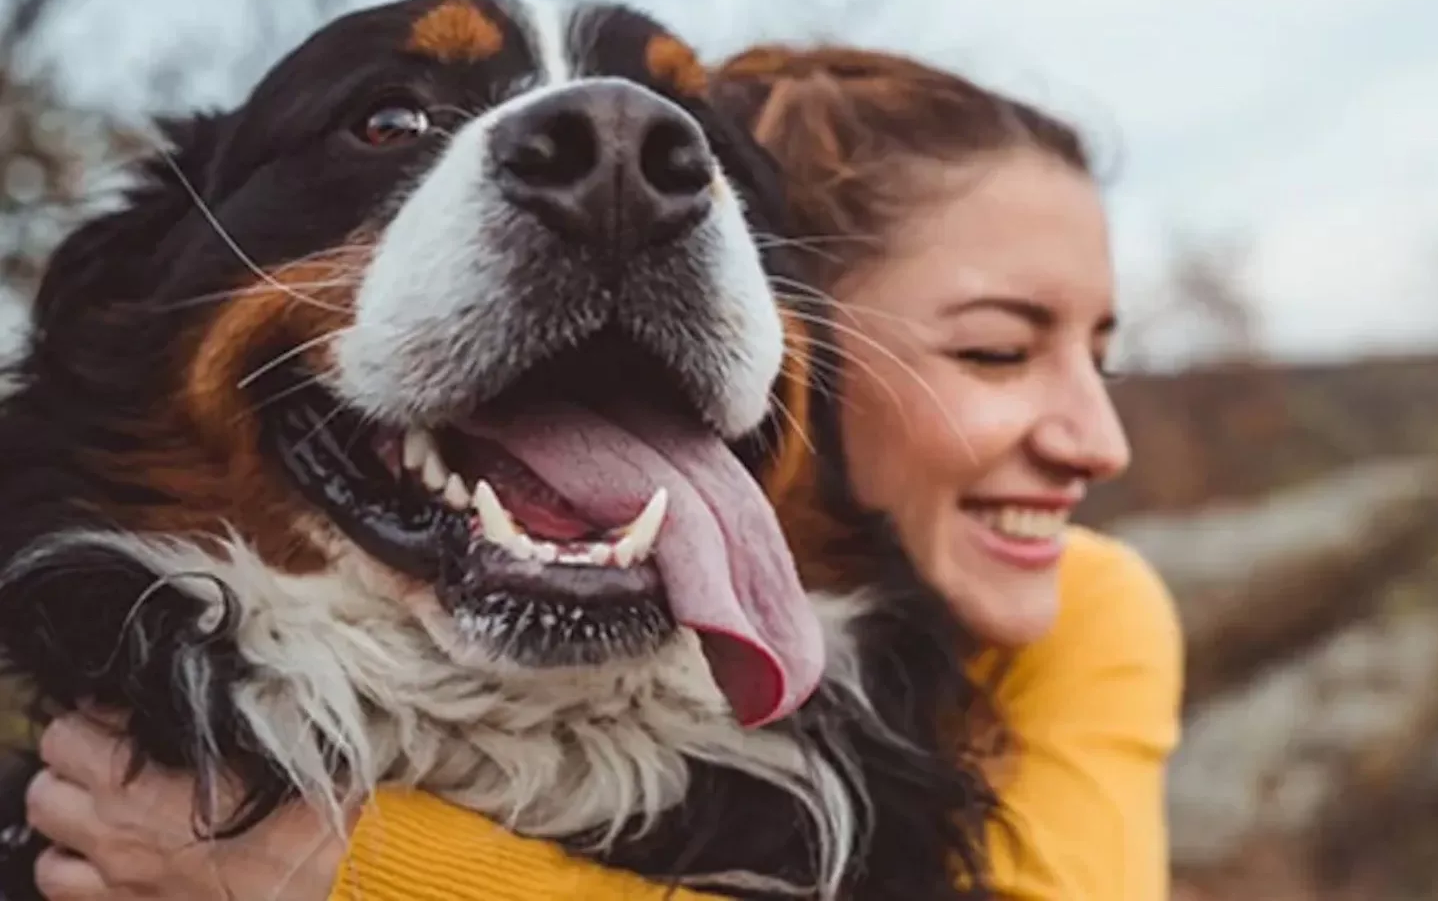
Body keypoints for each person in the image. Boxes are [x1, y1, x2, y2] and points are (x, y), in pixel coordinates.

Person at [22, 44, 1183, 901]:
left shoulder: (1091, 605)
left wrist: (348, 871)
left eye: (1102, 356)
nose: (1101, 442)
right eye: (996, 351)